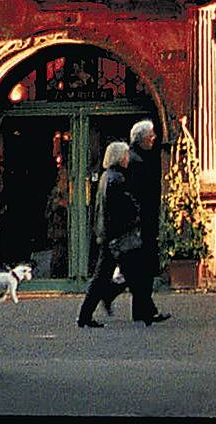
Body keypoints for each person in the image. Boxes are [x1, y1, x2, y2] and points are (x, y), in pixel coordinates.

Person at [78, 141, 140, 329]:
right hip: (116, 236)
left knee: (111, 275)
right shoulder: (117, 179)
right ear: (120, 157)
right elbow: (121, 209)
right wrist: (135, 215)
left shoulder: (107, 177)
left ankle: (91, 311)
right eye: (126, 155)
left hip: (107, 234)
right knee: (112, 277)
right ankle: (91, 310)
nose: (128, 158)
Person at [124, 118, 170, 325]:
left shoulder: (137, 157)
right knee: (143, 267)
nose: (154, 138)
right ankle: (145, 309)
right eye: (151, 135)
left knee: (140, 267)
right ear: (141, 138)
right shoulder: (136, 161)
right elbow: (137, 195)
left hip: (142, 221)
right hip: (141, 223)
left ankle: (142, 309)